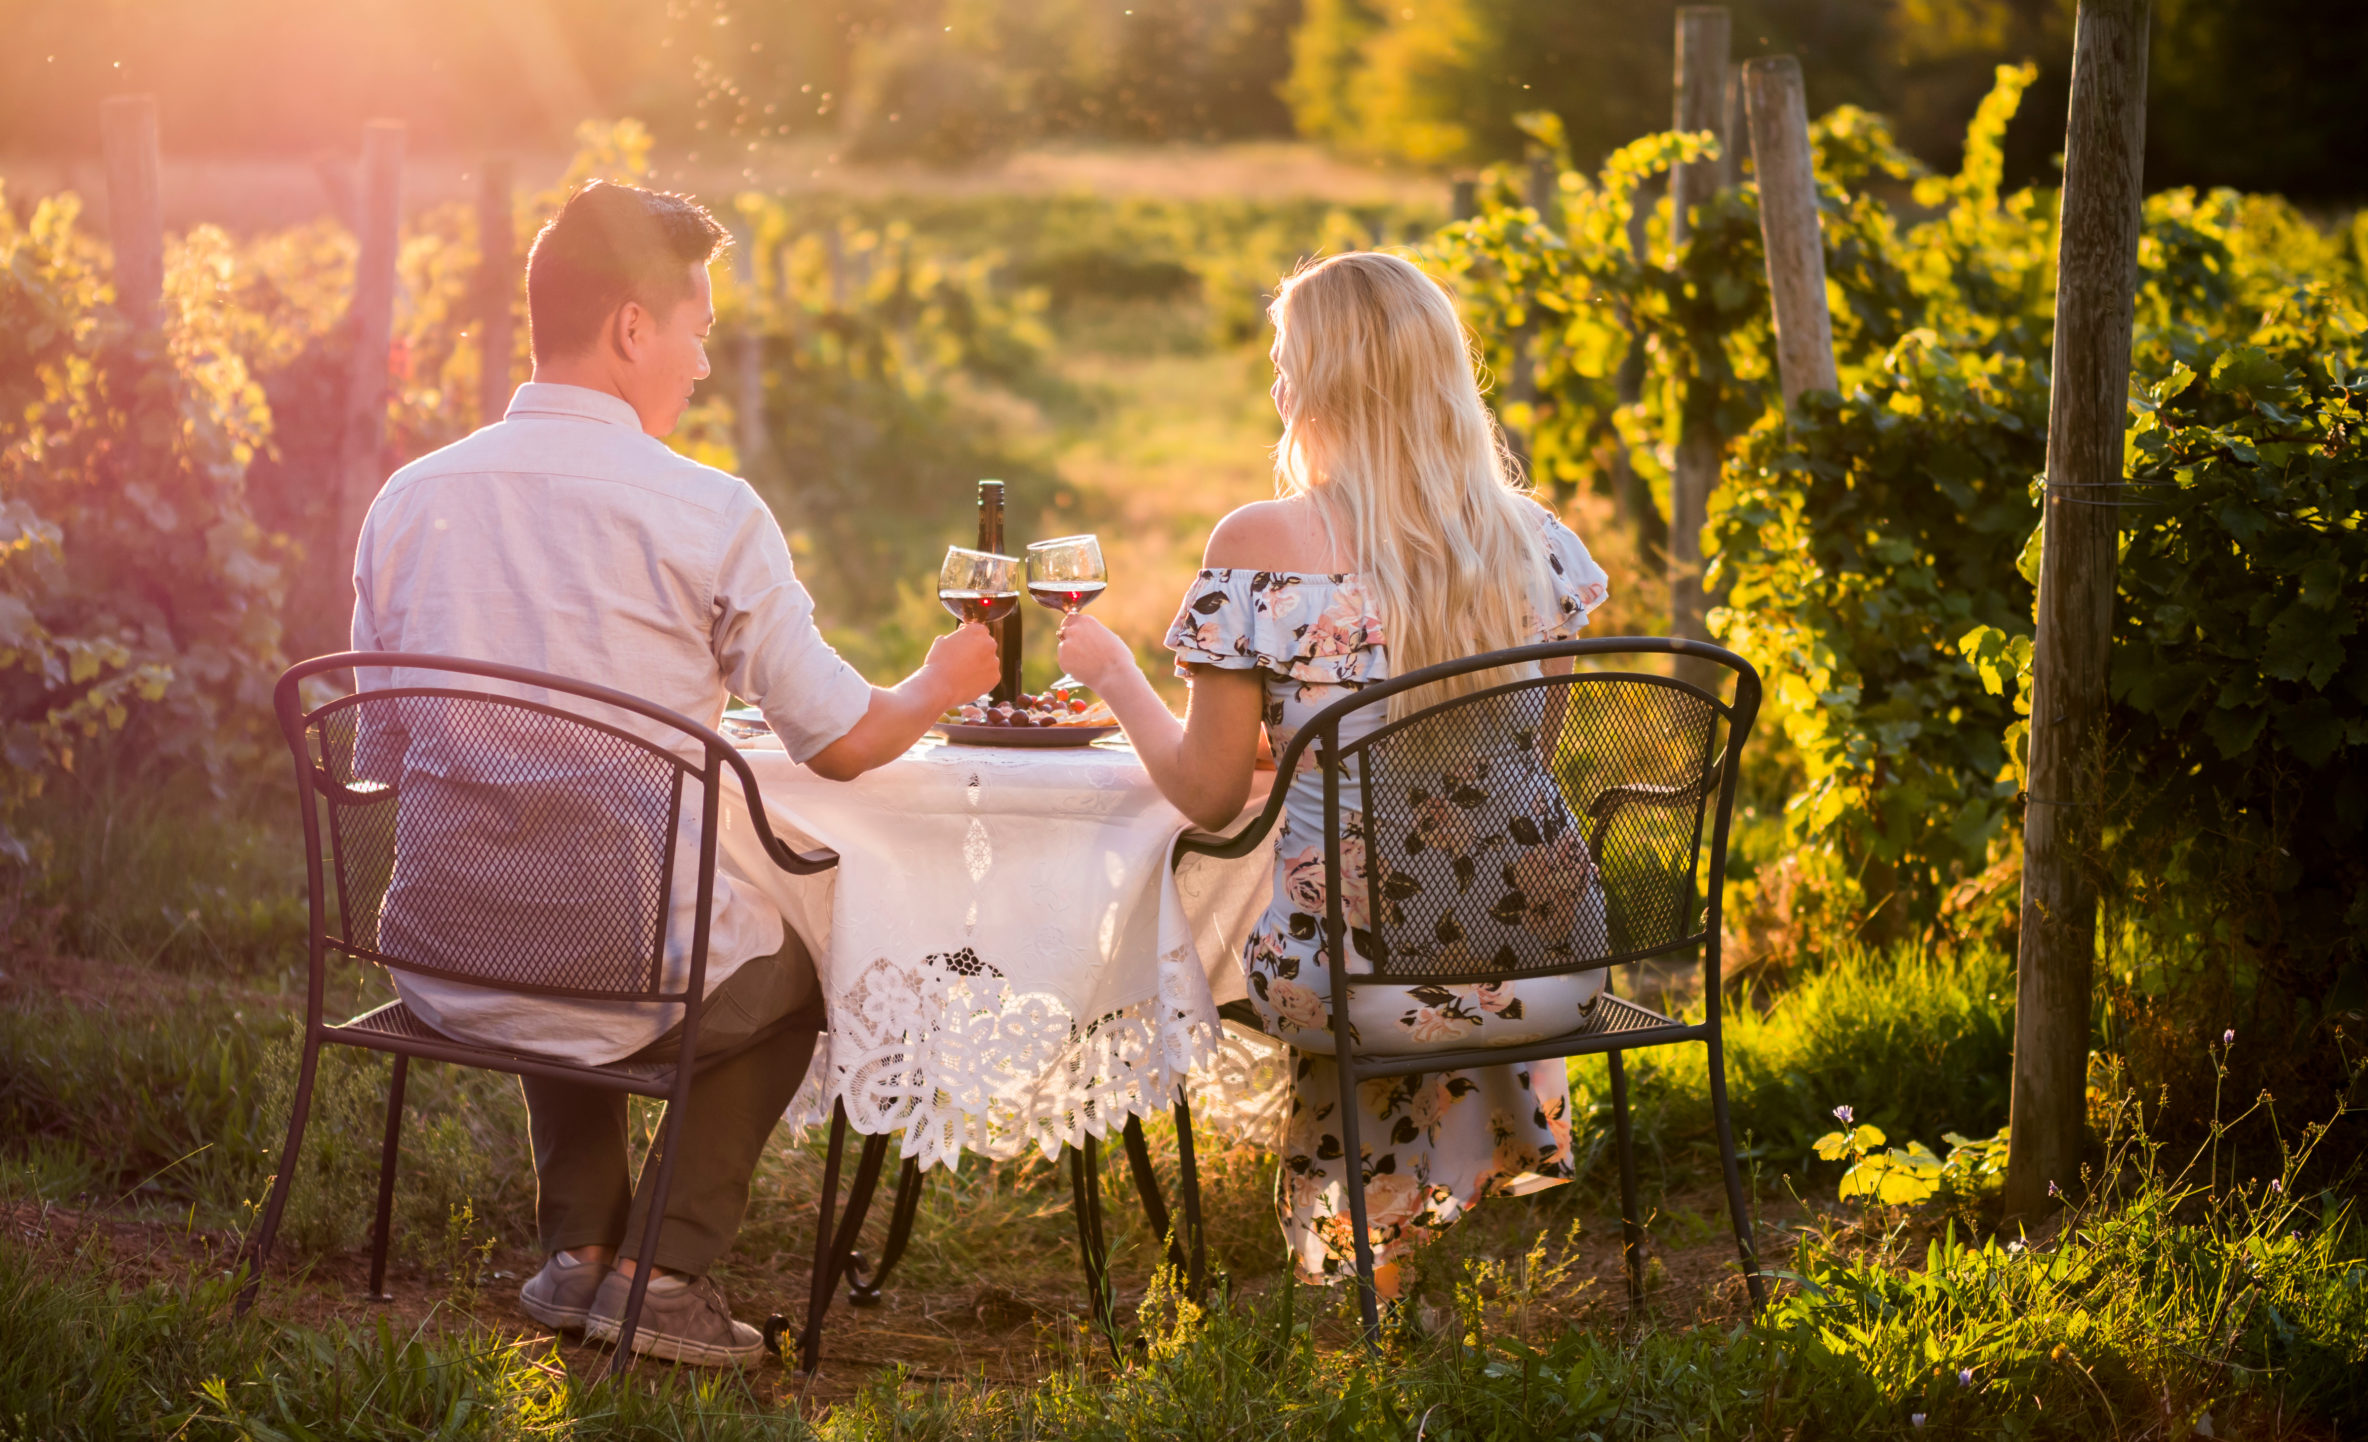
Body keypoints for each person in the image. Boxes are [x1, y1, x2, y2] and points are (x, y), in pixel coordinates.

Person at [348, 181, 1000, 1367]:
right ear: (634, 329)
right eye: (698, 331)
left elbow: (383, 751)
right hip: (614, 968)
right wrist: (943, 680)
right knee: (803, 963)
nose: (702, 363)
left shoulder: (409, 496)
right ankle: (662, 1270)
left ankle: (579, 1252)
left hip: (444, 951)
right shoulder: (708, 511)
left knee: (576, 879)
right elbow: (842, 739)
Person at [1055, 250, 1611, 1301]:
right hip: (1554, 962)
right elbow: (1514, 755)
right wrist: (1321, 746)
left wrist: (1115, 673)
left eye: (1283, 361)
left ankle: (1376, 1256)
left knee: (1339, 930)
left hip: (1356, 981)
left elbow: (1210, 794)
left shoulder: (1263, 543)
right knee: (1423, 910)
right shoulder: (1535, 538)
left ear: (1314, 383)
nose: (1275, 385)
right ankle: (1395, 1247)